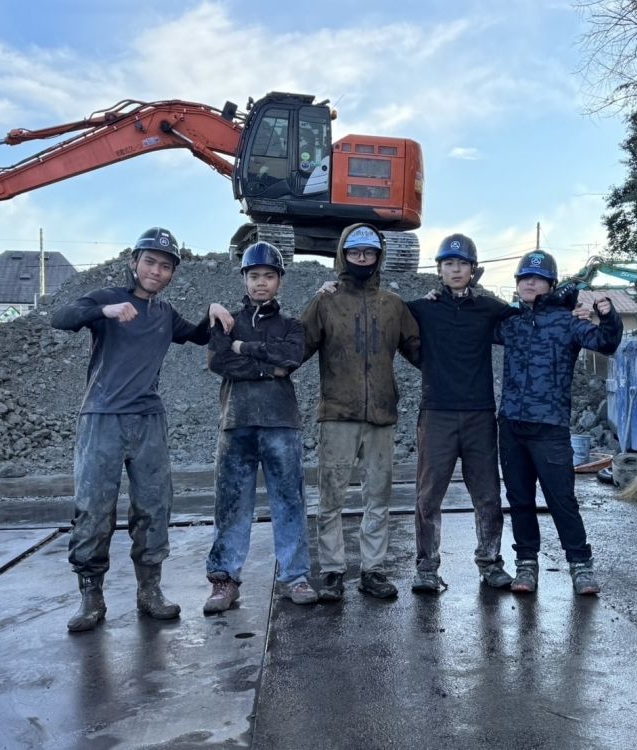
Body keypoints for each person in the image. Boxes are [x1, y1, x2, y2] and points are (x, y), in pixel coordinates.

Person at [52, 227, 233, 632]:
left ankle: (149, 590)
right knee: (94, 508)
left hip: (149, 421)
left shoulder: (164, 315)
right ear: (134, 263)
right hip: (101, 418)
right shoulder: (105, 299)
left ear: (171, 274)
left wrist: (214, 309)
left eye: (165, 266)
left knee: (154, 507)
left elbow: (197, 334)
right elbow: (59, 318)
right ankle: (91, 597)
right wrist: (104, 312)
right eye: (150, 262)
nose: (156, 270)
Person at [301, 223, 421, 600]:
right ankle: (333, 572)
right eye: (356, 253)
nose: (362, 259)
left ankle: (373, 570)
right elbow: (296, 346)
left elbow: (420, 352)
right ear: (344, 255)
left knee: (378, 498)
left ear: (378, 257)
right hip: (337, 413)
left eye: (369, 253)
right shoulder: (326, 301)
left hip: (382, 416)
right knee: (331, 498)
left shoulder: (393, 305)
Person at [495, 250, 623, 595]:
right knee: (519, 499)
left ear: (551, 285)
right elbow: (465, 322)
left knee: (561, 499)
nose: (529, 283)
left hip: (549, 428)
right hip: (511, 425)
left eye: (536, 278)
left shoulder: (568, 322)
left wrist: (608, 317)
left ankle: (580, 566)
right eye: (523, 278)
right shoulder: (510, 322)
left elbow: (606, 343)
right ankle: (526, 564)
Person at [202, 241, 318, 614]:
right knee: (232, 503)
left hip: (281, 423)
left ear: (280, 281)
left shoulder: (293, 326)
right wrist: (266, 366)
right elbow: (219, 363)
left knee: (289, 501)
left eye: (269, 276)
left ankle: (294, 577)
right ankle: (224, 581)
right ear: (245, 279)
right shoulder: (225, 321)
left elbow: (290, 358)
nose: (261, 283)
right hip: (236, 423)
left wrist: (243, 350)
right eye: (255, 276)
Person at [404, 234, 515, 593]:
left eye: (462, 264)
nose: (455, 269)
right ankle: (426, 567)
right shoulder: (422, 309)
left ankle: (490, 562)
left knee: (487, 493)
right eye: (449, 264)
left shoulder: (489, 309)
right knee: (428, 495)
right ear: (439, 269)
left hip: (480, 414)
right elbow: (381, 313)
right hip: (436, 413)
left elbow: (528, 313)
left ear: (473, 270)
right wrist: (330, 286)